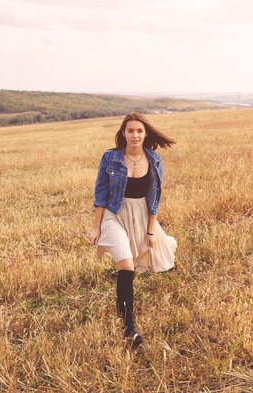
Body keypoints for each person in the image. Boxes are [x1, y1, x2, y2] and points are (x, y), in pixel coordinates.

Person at [88, 112, 178, 348]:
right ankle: (130, 328)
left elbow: (155, 197)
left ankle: (125, 314)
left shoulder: (155, 160)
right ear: (123, 133)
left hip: (140, 214)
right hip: (113, 213)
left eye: (139, 130)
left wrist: (150, 231)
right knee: (126, 266)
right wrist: (96, 227)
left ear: (145, 133)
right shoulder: (110, 158)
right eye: (130, 130)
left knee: (141, 262)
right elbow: (101, 194)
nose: (135, 135)